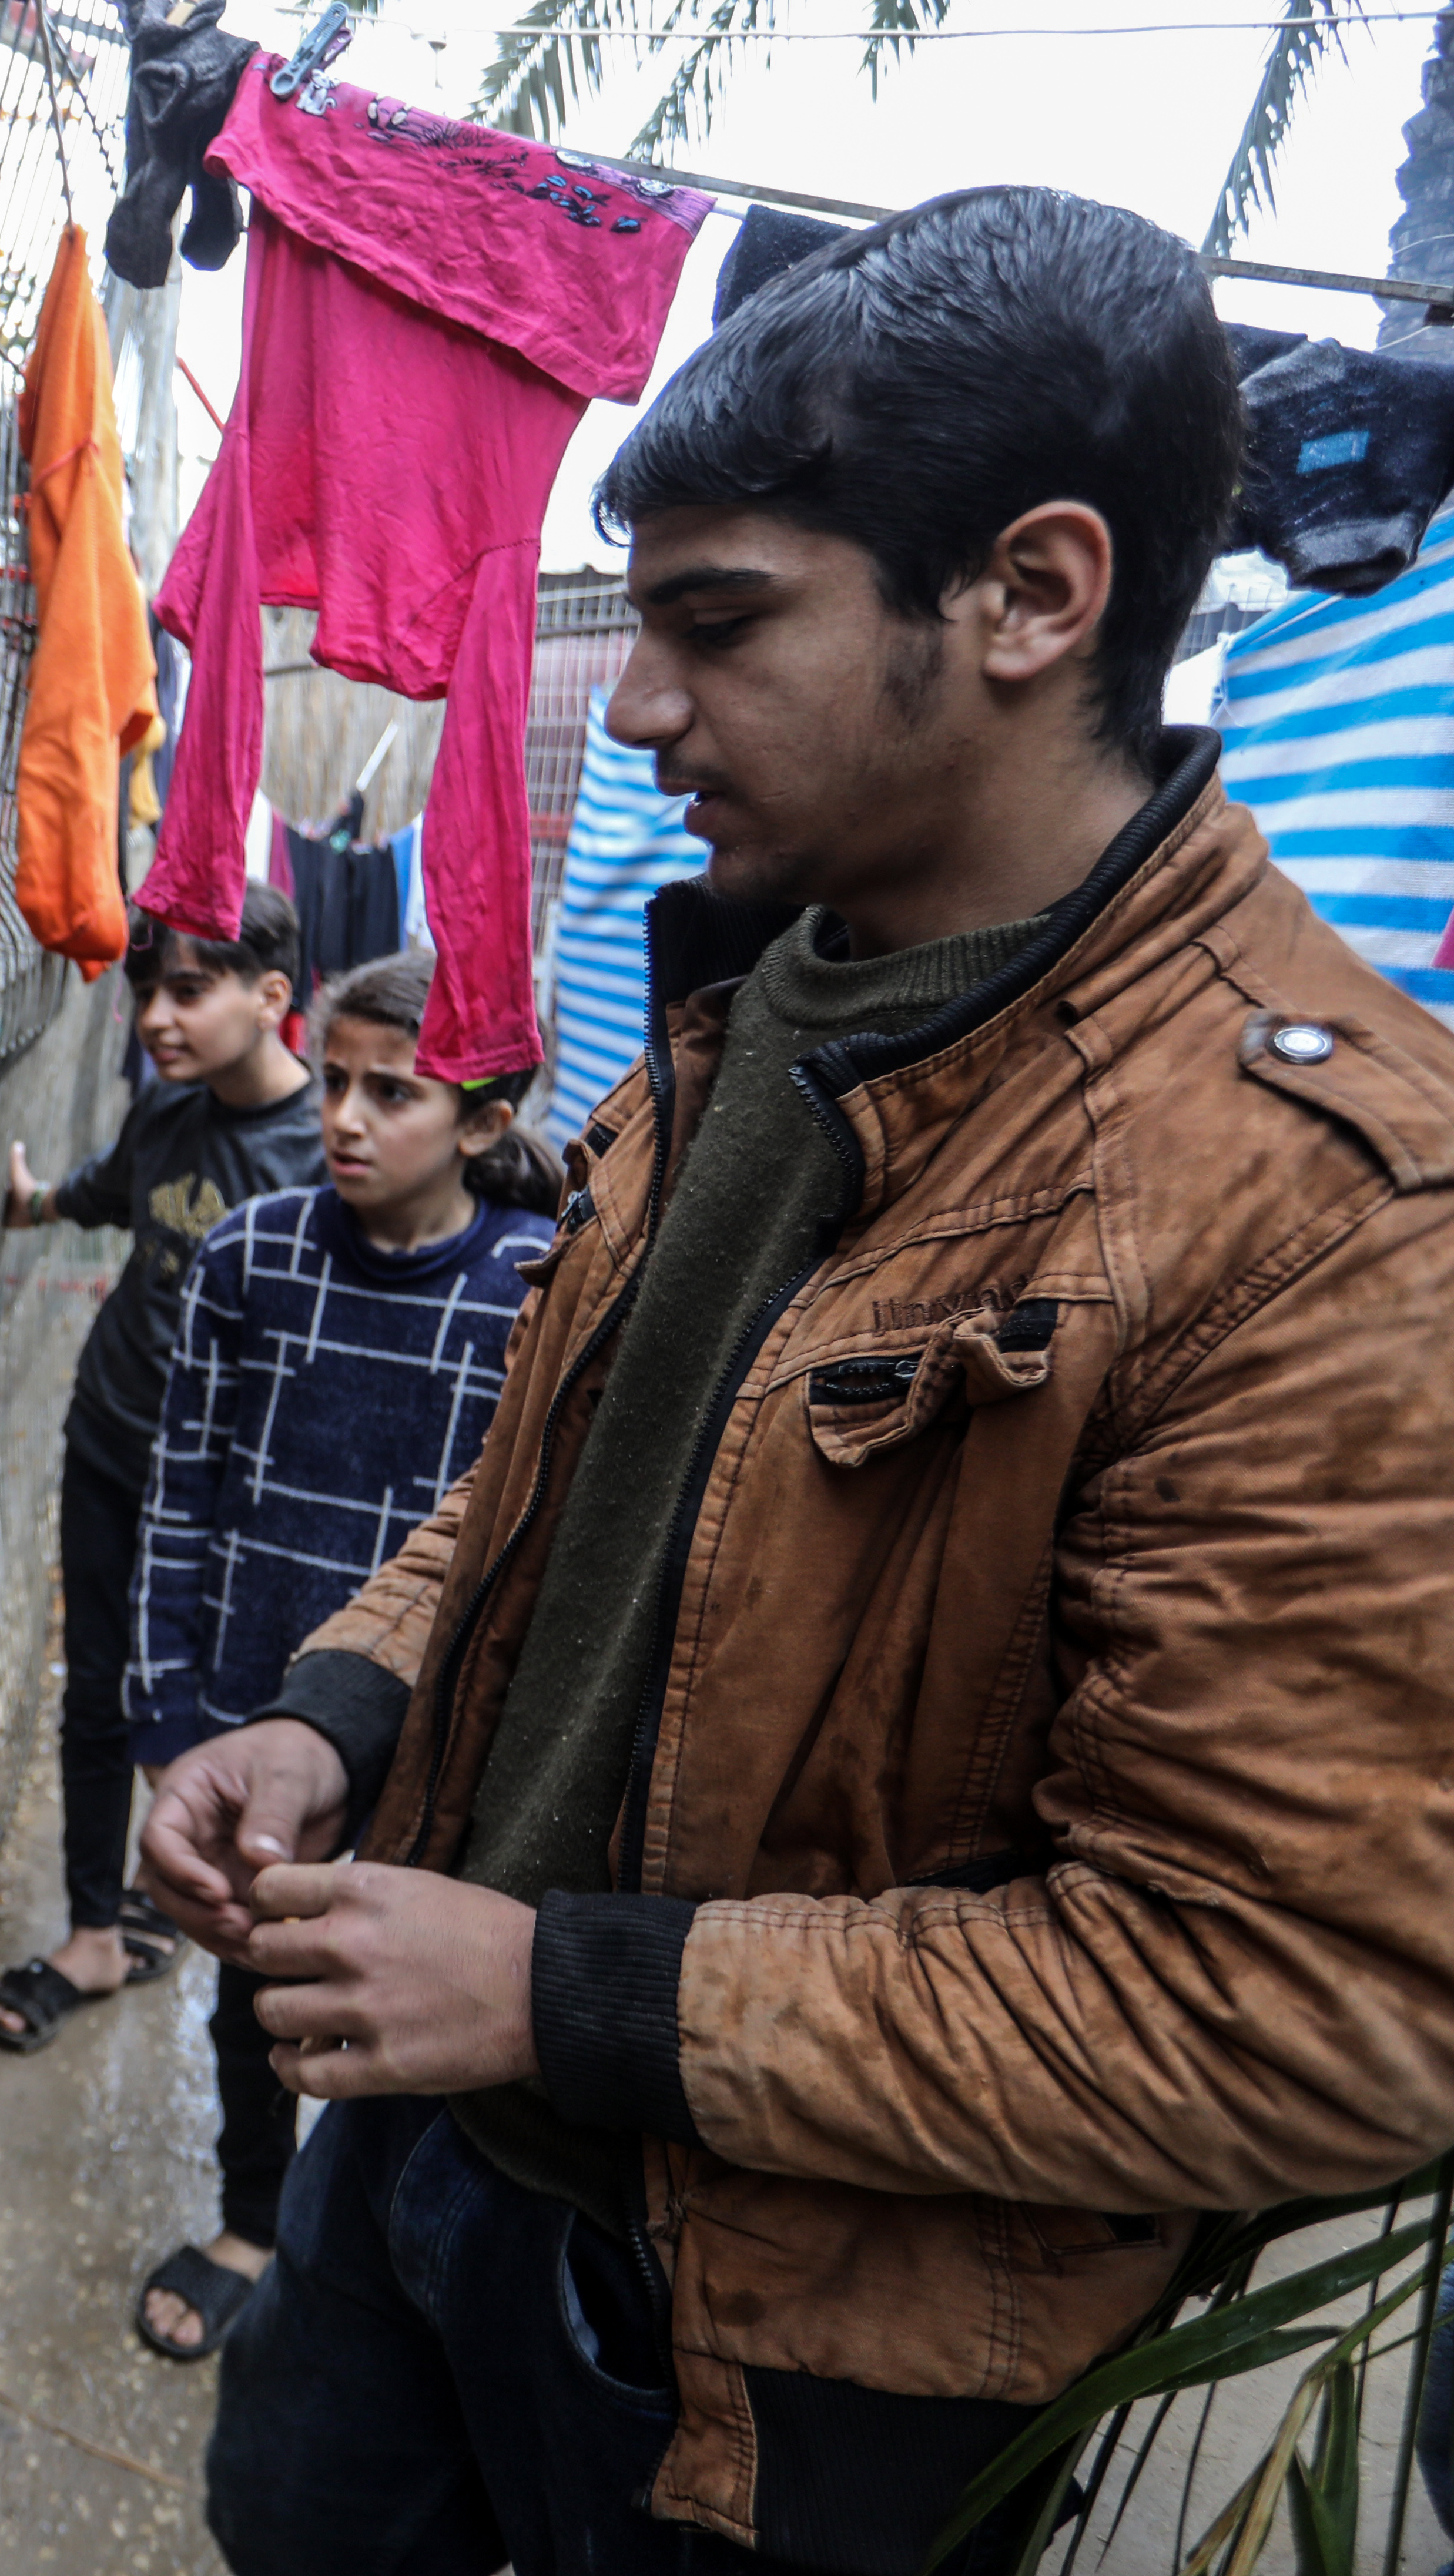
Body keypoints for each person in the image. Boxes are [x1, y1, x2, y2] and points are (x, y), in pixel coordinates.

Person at [133, 186, 1454, 2576]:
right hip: (418, 2162)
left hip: (766, 2353)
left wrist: (569, 1994)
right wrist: (333, 1706)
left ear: (1037, 599)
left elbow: (1304, 2001)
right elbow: (578, 1483)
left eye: (719, 626)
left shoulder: (1323, 1208)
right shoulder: (764, 990)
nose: (634, 706)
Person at [120, 949, 557, 2362]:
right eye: (342, 1079)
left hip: (432, 1747)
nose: (347, 1118)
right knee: (254, 1997)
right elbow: (180, 1486)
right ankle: (255, 2213)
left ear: (485, 1120)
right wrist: (165, 1714)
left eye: (396, 1092)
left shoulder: (532, 1294)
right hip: (254, 1713)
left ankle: (359, 2254)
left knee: (392, 2018)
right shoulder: (252, 1255)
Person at [0, 887, 323, 2051]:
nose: (156, 1014)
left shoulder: (325, 1155)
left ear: (272, 998)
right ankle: (90, 1928)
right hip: (115, 1434)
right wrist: (34, 1205)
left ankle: (159, 1884)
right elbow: (114, 1191)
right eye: (143, 988)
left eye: (188, 989)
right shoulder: (171, 1111)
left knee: (196, 1711)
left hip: (228, 1491)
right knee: (94, 1689)